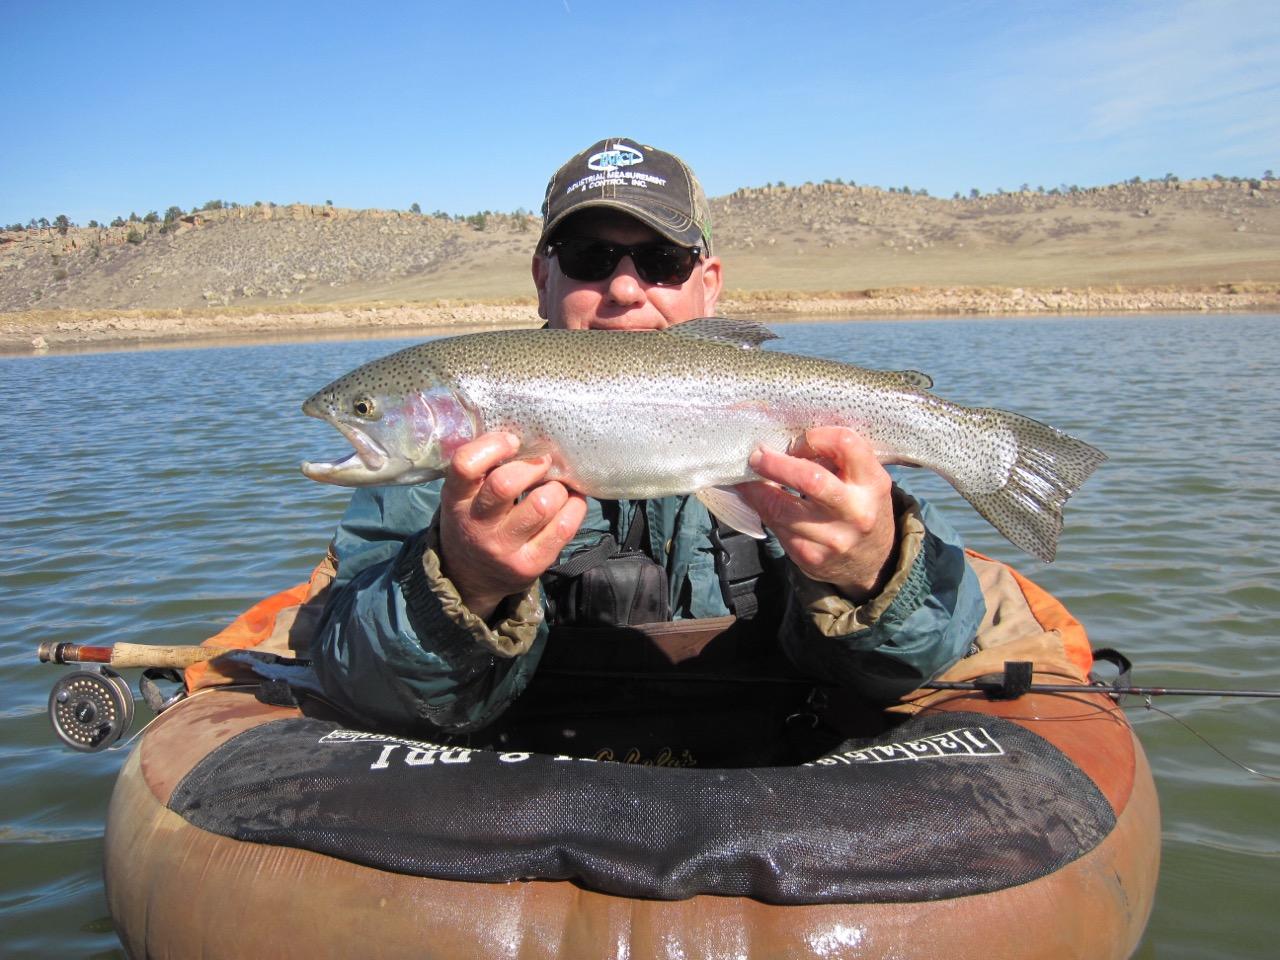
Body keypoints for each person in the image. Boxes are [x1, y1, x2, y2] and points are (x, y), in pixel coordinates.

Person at [309, 138, 1080, 766]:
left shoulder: (828, 450)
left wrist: (871, 570)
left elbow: (925, 661)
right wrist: (464, 581)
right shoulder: (440, 479)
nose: (622, 289)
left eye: (662, 262)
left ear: (708, 285)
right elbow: (349, 675)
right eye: (586, 257)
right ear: (542, 277)